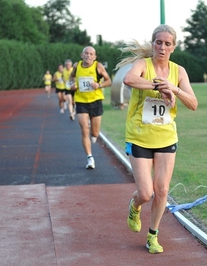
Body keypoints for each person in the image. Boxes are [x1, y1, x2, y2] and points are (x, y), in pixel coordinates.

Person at [114, 24, 198, 254]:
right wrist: (159, 86)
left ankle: (152, 235)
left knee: (162, 190)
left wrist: (175, 89)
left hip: (166, 137)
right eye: (158, 42)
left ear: (174, 47)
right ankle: (135, 205)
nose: (162, 47)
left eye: (167, 43)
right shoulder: (143, 64)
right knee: (146, 193)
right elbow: (129, 80)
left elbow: (194, 103)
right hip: (139, 137)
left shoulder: (178, 71)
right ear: (153, 44)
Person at [70, 46, 112, 169]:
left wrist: (98, 85)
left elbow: (108, 81)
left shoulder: (98, 66)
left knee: (94, 133)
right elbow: (72, 77)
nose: (88, 56)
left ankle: (94, 136)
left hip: (95, 101)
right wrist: (73, 84)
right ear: (81, 55)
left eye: (91, 54)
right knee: (84, 129)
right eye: (86, 53)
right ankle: (90, 158)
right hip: (81, 101)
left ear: (94, 57)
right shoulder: (76, 66)